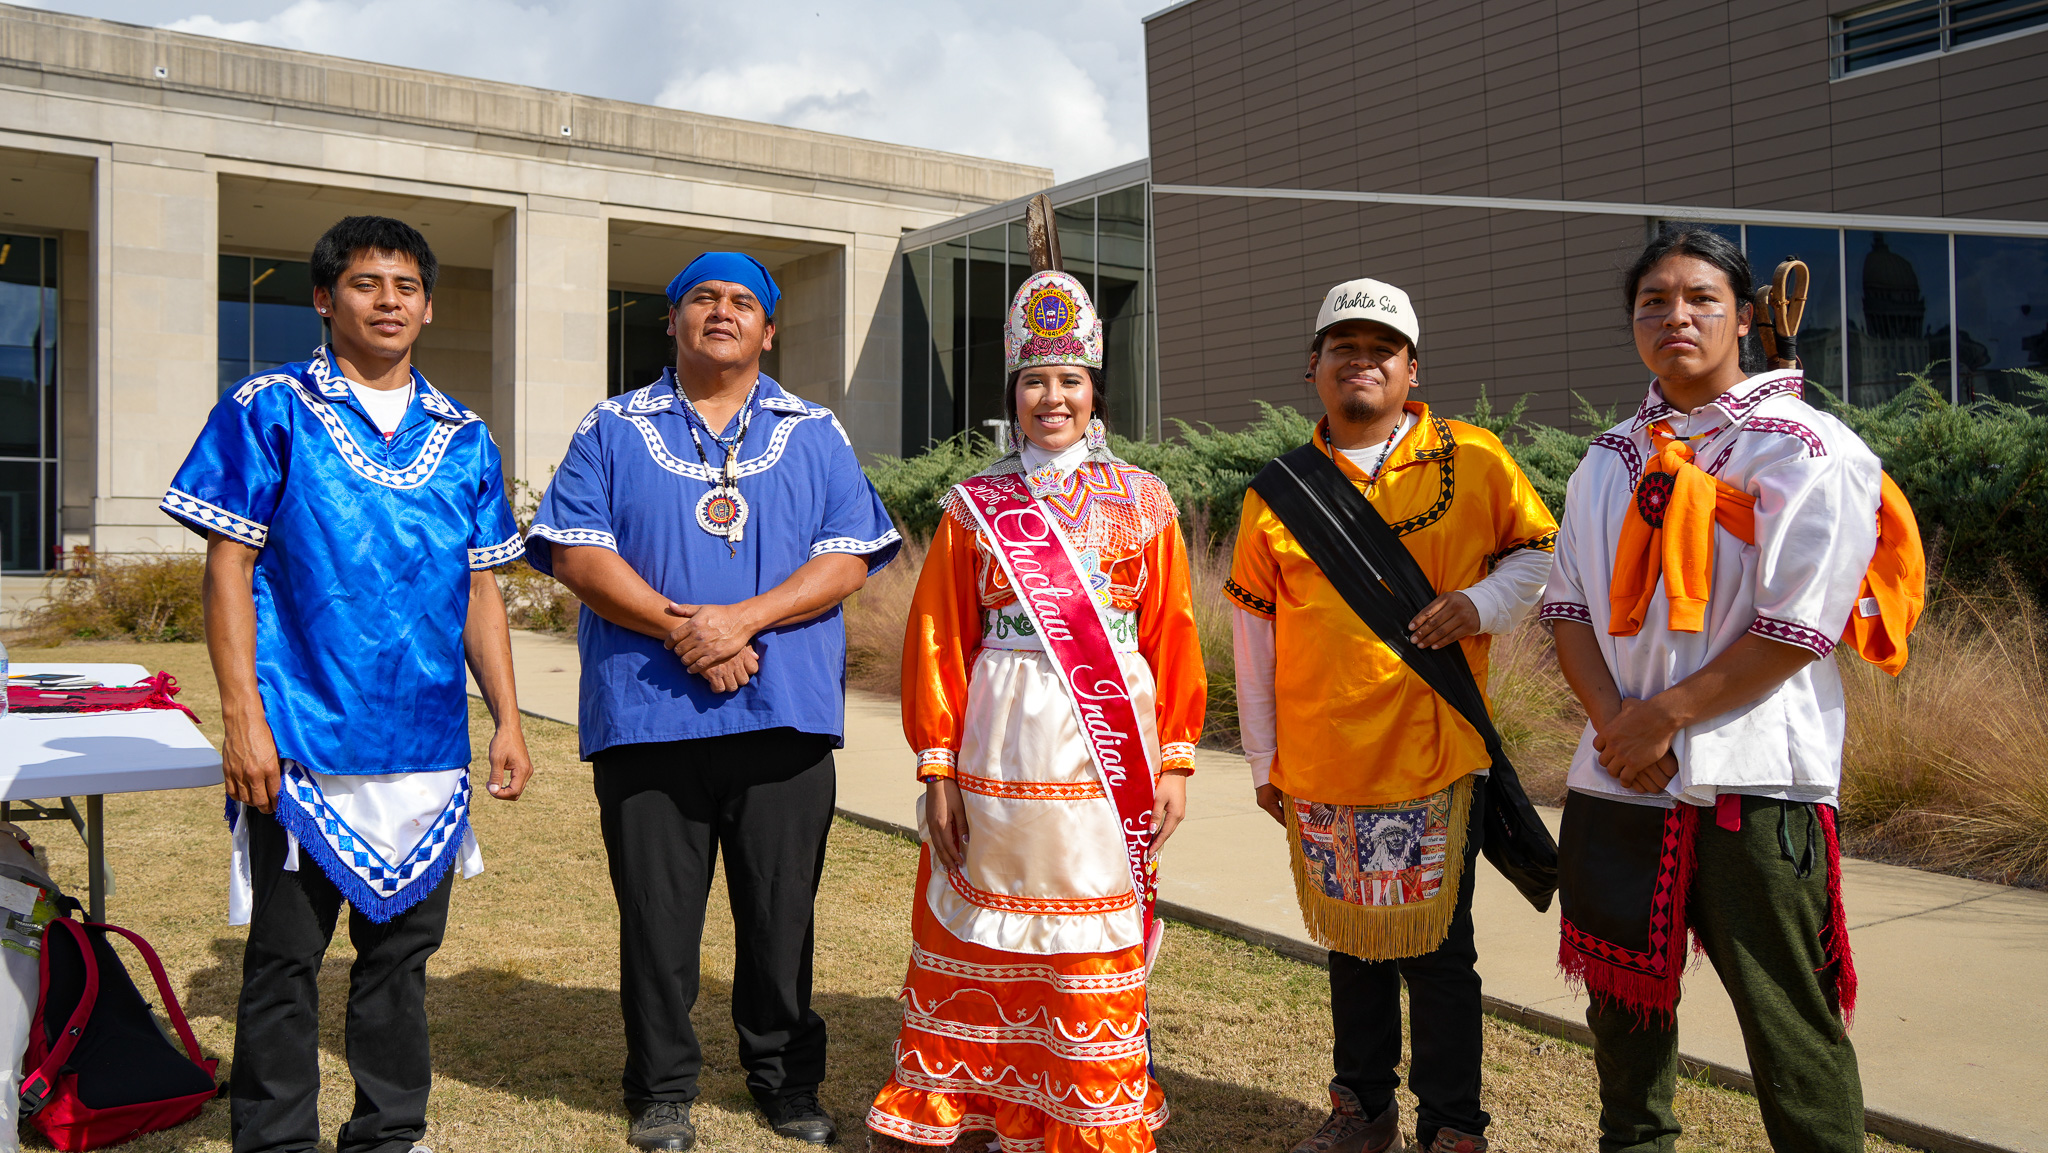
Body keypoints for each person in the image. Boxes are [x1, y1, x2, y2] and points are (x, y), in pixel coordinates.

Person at [162, 215, 533, 1153]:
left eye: (405, 287)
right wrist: (243, 717)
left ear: (428, 305)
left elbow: (480, 582)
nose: (389, 302)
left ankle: (389, 1131)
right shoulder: (267, 408)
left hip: (423, 746)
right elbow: (228, 566)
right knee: (285, 960)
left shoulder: (466, 436)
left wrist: (508, 721)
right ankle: (276, 1139)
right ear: (325, 299)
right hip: (299, 735)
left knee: (401, 961)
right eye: (367, 284)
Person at [526, 251, 900, 1151]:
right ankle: (661, 1088)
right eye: (703, 297)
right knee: (658, 918)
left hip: (786, 716)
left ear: (770, 329)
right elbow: (576, 552)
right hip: (647, 714)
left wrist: (743, 622)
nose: (722, 312)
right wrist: (682, 630)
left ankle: (785, 1082)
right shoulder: (611, 426)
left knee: (781, 917)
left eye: (743, 302)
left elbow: (850, 553)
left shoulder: (816, 430)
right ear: (673, 321)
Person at [1540, 228, 1878, 1151]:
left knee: (1788, 1018)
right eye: (1654, 301)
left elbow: (1796, 627)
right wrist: (1619, 726)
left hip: (1754, 782)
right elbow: (1565, 606)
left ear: (1746, 317)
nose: (1675, 316)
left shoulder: (1808, 449)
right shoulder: (1608, 458)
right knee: (1622, 1011)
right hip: (1621, 777)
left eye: (1700, 299)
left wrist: (1663, 719)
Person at [865, 268, 1206, 1153]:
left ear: (1096, 388)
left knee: (1091, 917)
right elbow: (940, 639)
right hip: (1000, 747)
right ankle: (971, 1097)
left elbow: (1171, 634)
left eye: (1069, 379)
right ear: (1012, 392)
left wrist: (1172, 759)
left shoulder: (1145, 500)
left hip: (1107, 755)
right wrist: (936, 767)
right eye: (1033, 380)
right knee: (985, 910)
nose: (1051, 398)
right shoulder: (975, 506)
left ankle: (1084, 1106)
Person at [1227, 279, 1558, 1153]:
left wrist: (1478, 604)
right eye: (1344, 347)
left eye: (1382, 349)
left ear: (1413, 367)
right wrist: (1263, 758)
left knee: (1440, 952)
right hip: (1324, 752)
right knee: (1352, 943)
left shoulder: (1476, 459)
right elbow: (1251, 630)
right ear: (1314, 367)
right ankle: (1361, 1108)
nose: (1362, 362)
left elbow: (1542, 561)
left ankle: (1453, 1126)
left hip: (1435, 747)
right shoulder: (1278, 491)